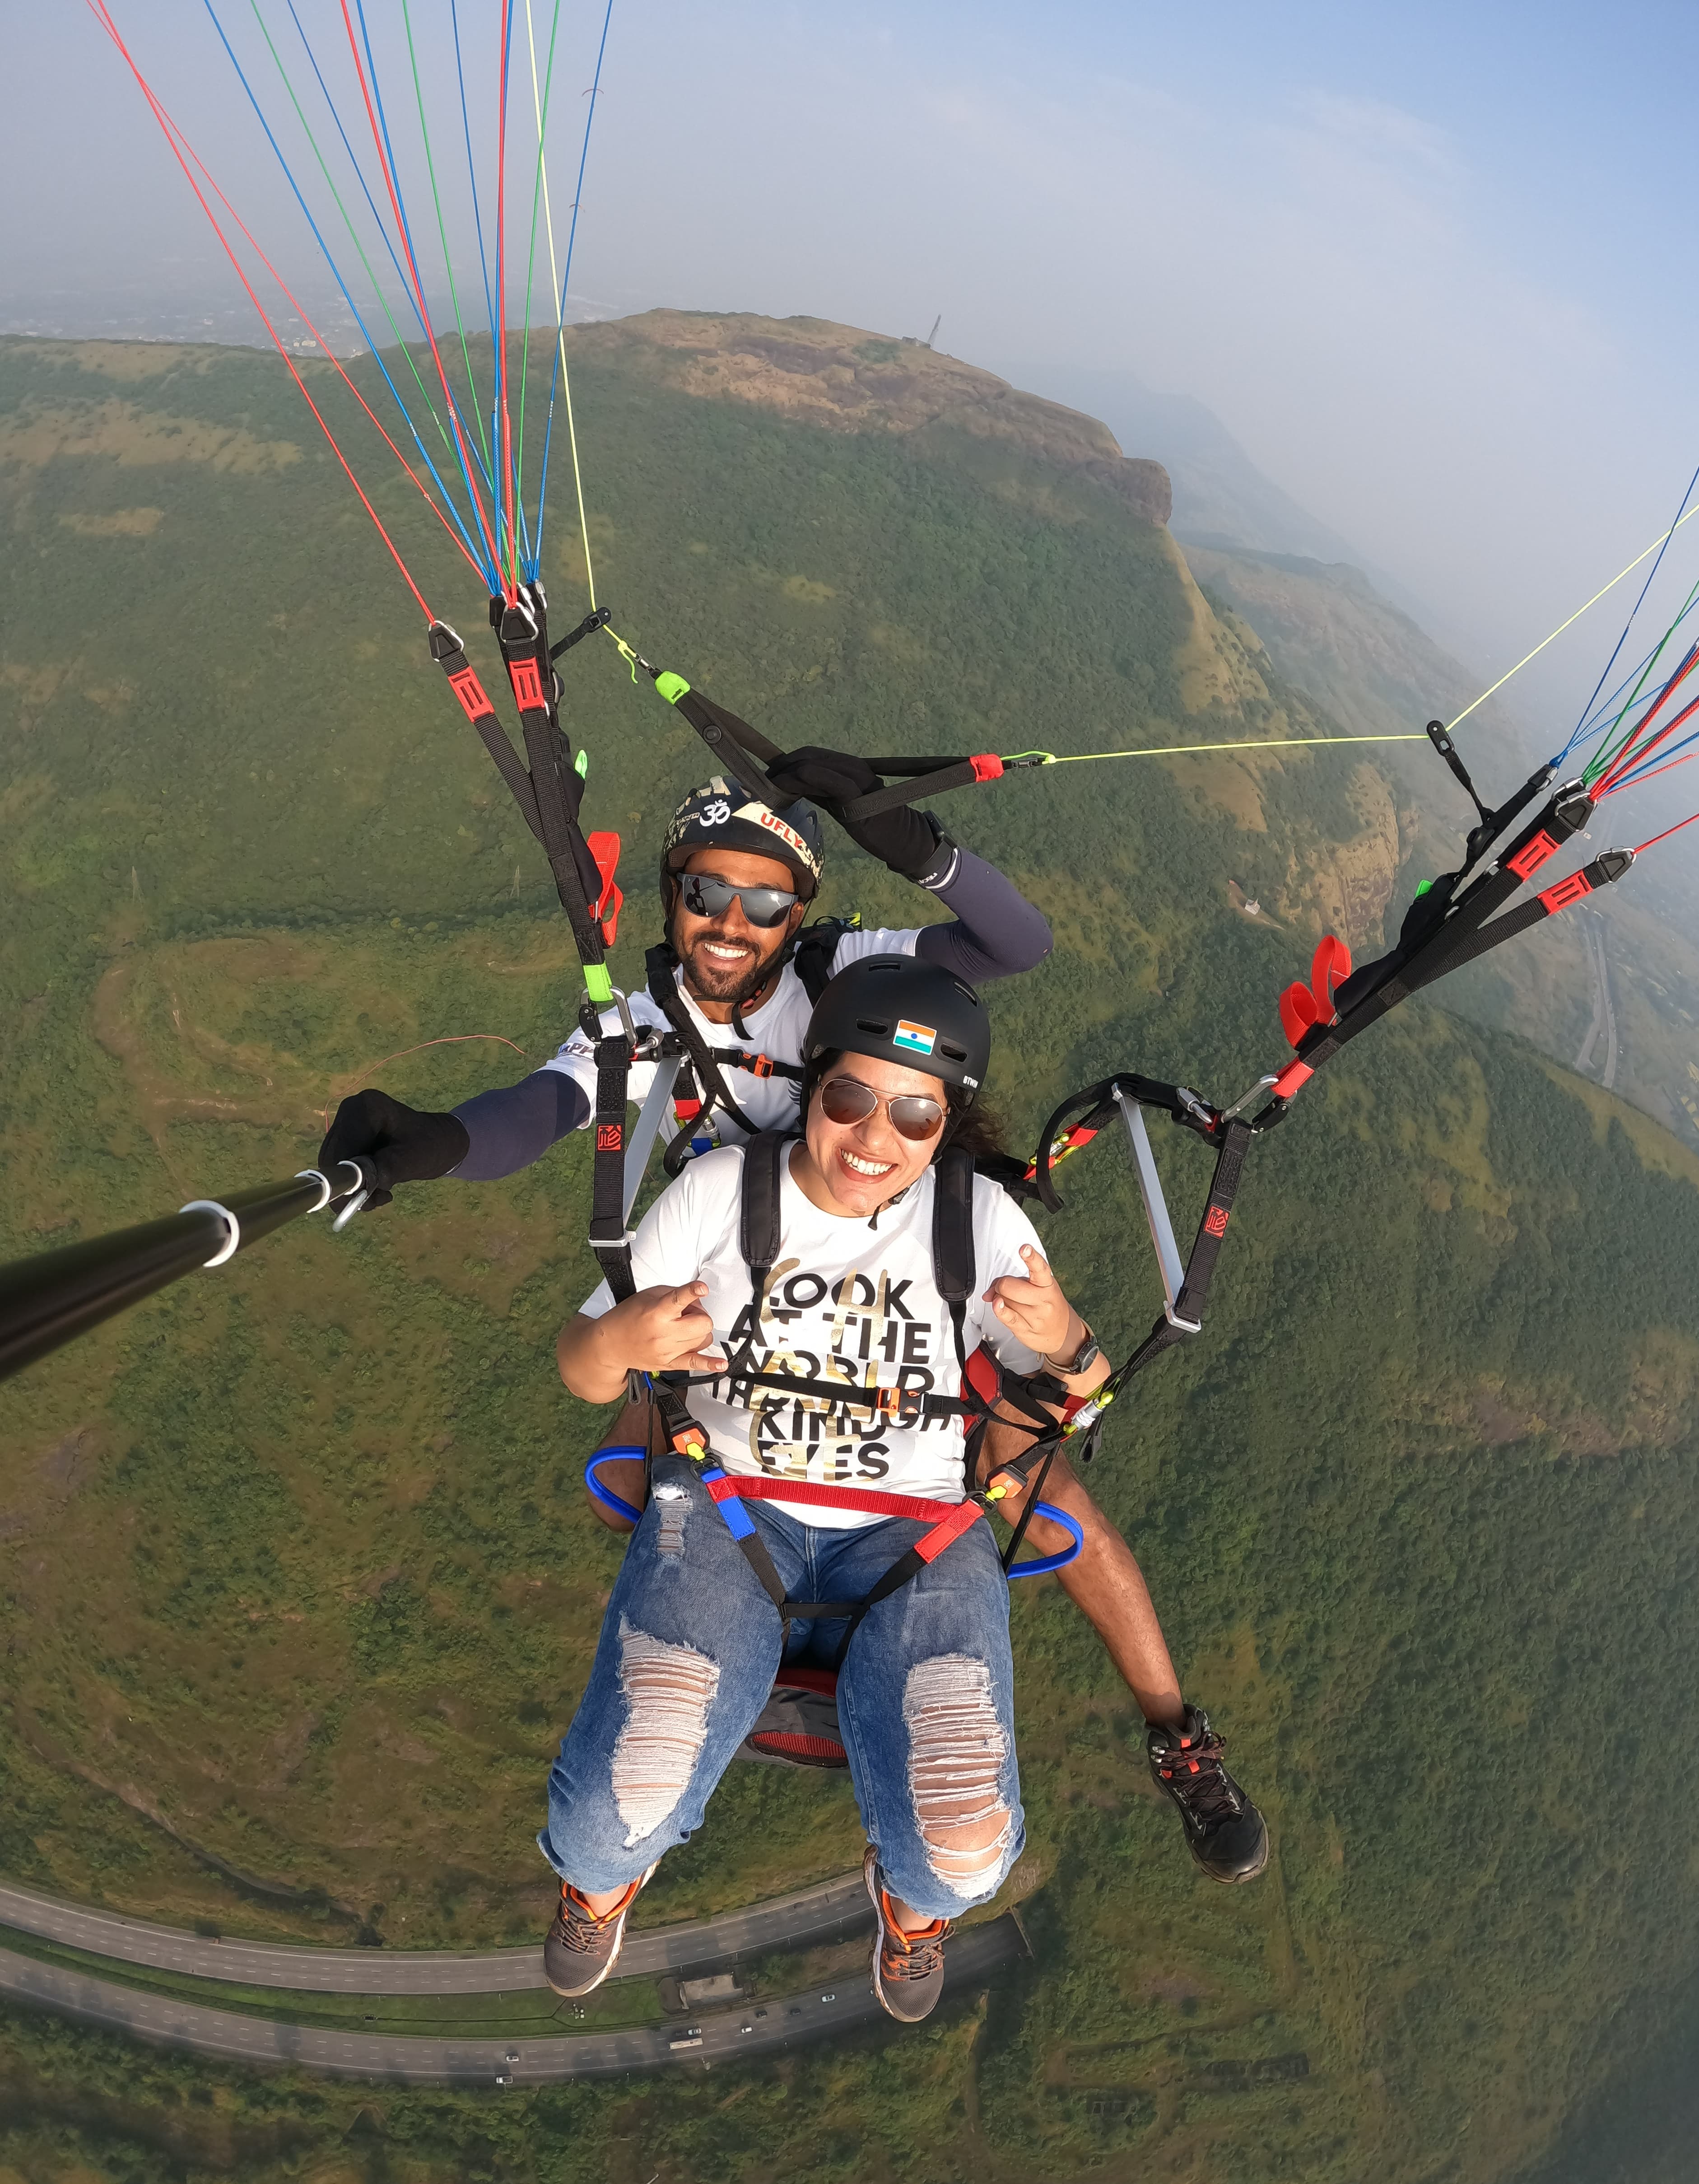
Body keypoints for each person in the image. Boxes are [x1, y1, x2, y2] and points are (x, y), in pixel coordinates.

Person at [318, 749, 1266, 1883]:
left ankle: (1177, 1736)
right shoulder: (648, 1025)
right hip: (731, 1281)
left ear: (799, 915)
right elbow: (541, 1110)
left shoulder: (845, 974)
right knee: (696, 1453)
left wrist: (904, 837)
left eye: (765, 901)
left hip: (909, 1268)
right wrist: (428, 1146)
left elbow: (1014, 944)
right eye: (706, 891)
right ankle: (651, 1790)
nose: (732, 921)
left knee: (1045, 1493)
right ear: (671, 895)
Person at [543, 955, 1117, 2021]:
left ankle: (915, 1902)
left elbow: (1083, 1396)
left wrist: (1069, 1341)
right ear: (813, 1086)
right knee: (607, 1816)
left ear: (947, 1127)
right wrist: (620, 1341)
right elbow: (583, 1366)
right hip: (731, 1500)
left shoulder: (982, 1220)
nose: (874, 1137)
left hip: (915, 1529)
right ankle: (602, 1880)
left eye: (916, 1115)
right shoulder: (723, 1192)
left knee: (964, 1851)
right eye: (851, 1097)